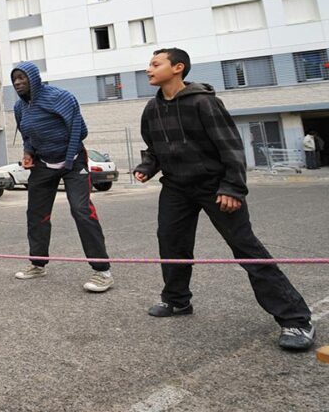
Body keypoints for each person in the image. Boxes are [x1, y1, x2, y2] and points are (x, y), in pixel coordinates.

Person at [134, 48, 314, 351]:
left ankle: (296, 319)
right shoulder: (152, 109)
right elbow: (153, 148)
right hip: (176, 187)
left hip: (215, 187)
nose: (148, 69)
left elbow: (231, 147)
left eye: (155, 64)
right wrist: (146, 168)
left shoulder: (204, 103)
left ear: (177, 68)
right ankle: (177, 301)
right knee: (171, 243)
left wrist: (232, 188)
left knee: (245, 247)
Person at [10, 61, 113, 293]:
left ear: (34, 78)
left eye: (22, 78)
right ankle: (37, 264)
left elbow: (80, 130)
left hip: (73, 160)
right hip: (43, 163)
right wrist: (28, 153)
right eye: (14, 78)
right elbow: (27, 136)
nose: (17, 82)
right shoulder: (20, 107)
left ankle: (102, 271)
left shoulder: (60, 97)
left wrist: (66, 159)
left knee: (81, 210)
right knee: (36, 213)